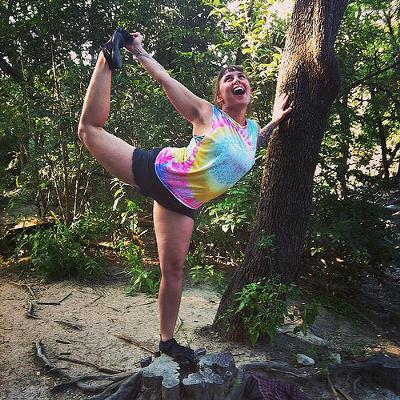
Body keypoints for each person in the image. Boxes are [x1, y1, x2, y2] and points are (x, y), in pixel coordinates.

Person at [78, 28, 292, 368]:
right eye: (228, 79)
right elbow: (165, 80)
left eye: (241, 77)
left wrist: (276, 121)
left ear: (249, 91)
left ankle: (166, 342)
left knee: (174, 271)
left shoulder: (251, 132)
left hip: (182, 204)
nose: (236, 80)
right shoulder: (208, 113)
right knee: (89, 131)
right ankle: (106, 58)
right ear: (220, 96)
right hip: (160, 171)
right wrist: (138, 51)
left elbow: (256, 143)